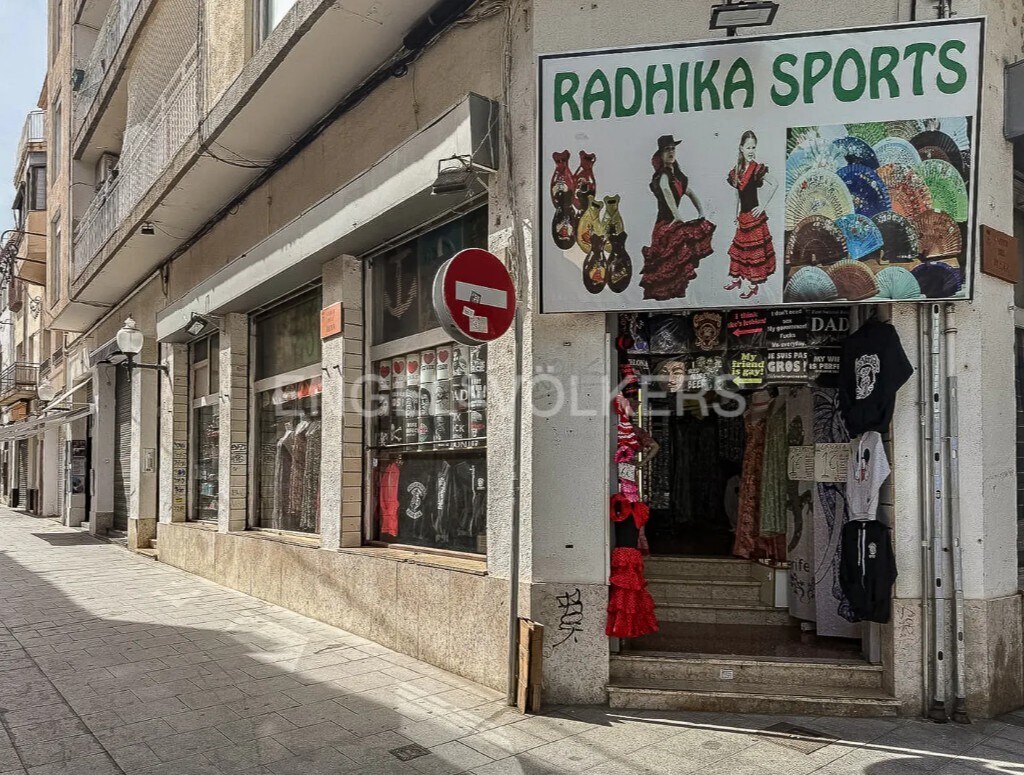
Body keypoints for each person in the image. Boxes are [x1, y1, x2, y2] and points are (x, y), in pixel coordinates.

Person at [640, 136, 716, 301]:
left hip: (674, 223)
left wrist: (701, 212)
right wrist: (676, 215)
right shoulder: (662, 176)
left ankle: (676, 295)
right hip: (664, 226)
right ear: (660, 154)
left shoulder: (679, 176)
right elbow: (666, 191)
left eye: (673, 148)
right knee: (669, 262)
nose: (671, 152)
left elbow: (690, 193)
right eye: (667, 149)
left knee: (680, 258)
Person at [725, 130, 778, 299]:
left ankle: (752, 285)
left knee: (753, 253)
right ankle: (738, 279)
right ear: (741, 148)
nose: (751, 151)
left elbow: (775, 183)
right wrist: (735, 215)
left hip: (755, 219)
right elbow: (736, 195)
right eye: (748, 147)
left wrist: (762, 206)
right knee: (740, 251)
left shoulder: (756, 169)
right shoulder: (736, 171)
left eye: (753, 147)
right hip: (743, 218)